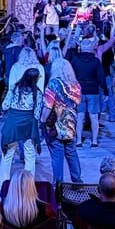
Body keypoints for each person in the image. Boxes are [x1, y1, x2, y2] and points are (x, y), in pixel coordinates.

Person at [41, 58, 82, 187]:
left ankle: (59, 186)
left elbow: (48, 105)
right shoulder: (76, 85)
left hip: (56, 126)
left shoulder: (53, 84)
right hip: (71, 125)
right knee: (72, 153)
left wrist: (42, 120)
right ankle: (78, 182)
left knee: (57, 156)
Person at [0, 67, 42, 186]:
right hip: (28, 124)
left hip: (13, 123)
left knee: (7, 155)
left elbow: (5, 106)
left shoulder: (13, 88)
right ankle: (29, 184)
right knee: (30, 155)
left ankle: (3, 184)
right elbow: (37, 114)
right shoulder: (37, 92)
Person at [69, 36, 106, 148]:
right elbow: (101, 77)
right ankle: (94, 141)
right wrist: (105, 91)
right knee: (94, 116)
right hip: (93, 91)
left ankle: (79, 140)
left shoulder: (75, 60)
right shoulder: (95, 61)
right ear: (91, 48)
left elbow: (71, 75)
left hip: (79, 91)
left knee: (79, 116)